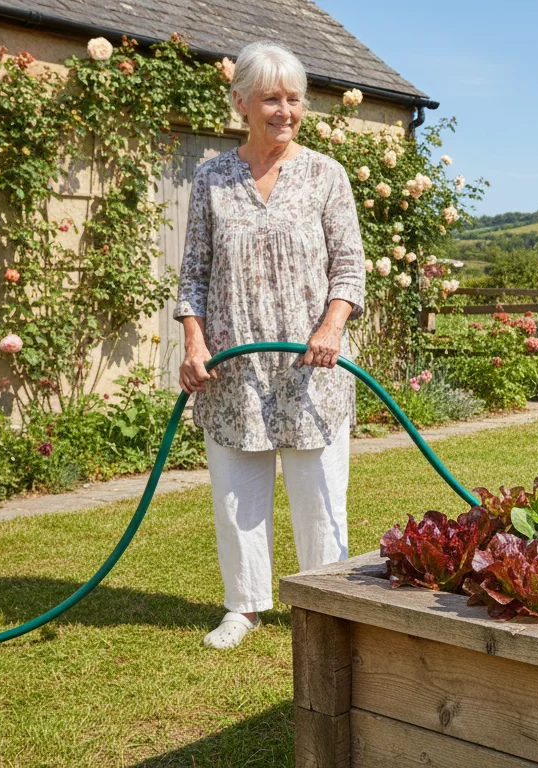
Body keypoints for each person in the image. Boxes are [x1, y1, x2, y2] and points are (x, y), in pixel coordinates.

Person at [173, 41, 365, 649]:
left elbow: (349, 269)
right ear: (240, 104)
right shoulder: (211, 177)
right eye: (270, 99)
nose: (284, 110)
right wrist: (194, 344)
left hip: (313, 367)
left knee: (318, 494)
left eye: (293, 98)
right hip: (236, 370)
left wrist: (331, 327)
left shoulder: (325, 175)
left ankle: (327, 606)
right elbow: (193, 276)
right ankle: (245, 606)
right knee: (238, 494)